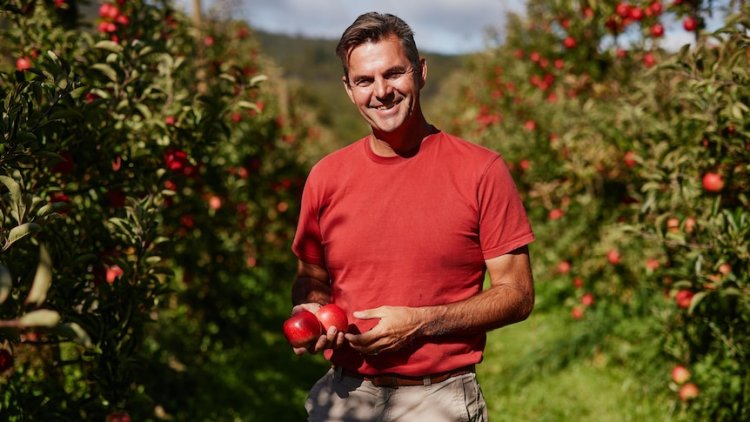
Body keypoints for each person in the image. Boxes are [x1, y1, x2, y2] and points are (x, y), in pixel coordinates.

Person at [290, 11, 535, 421]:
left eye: (394, 73)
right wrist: (311, 312)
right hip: (344, 396)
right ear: (349, 89)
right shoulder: (325, 177)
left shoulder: (480, 171)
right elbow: (311, 278)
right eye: (365, 81)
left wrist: (422, 323)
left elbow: (518, 295)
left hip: (438, 398)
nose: (381, 91)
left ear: (420, 72)